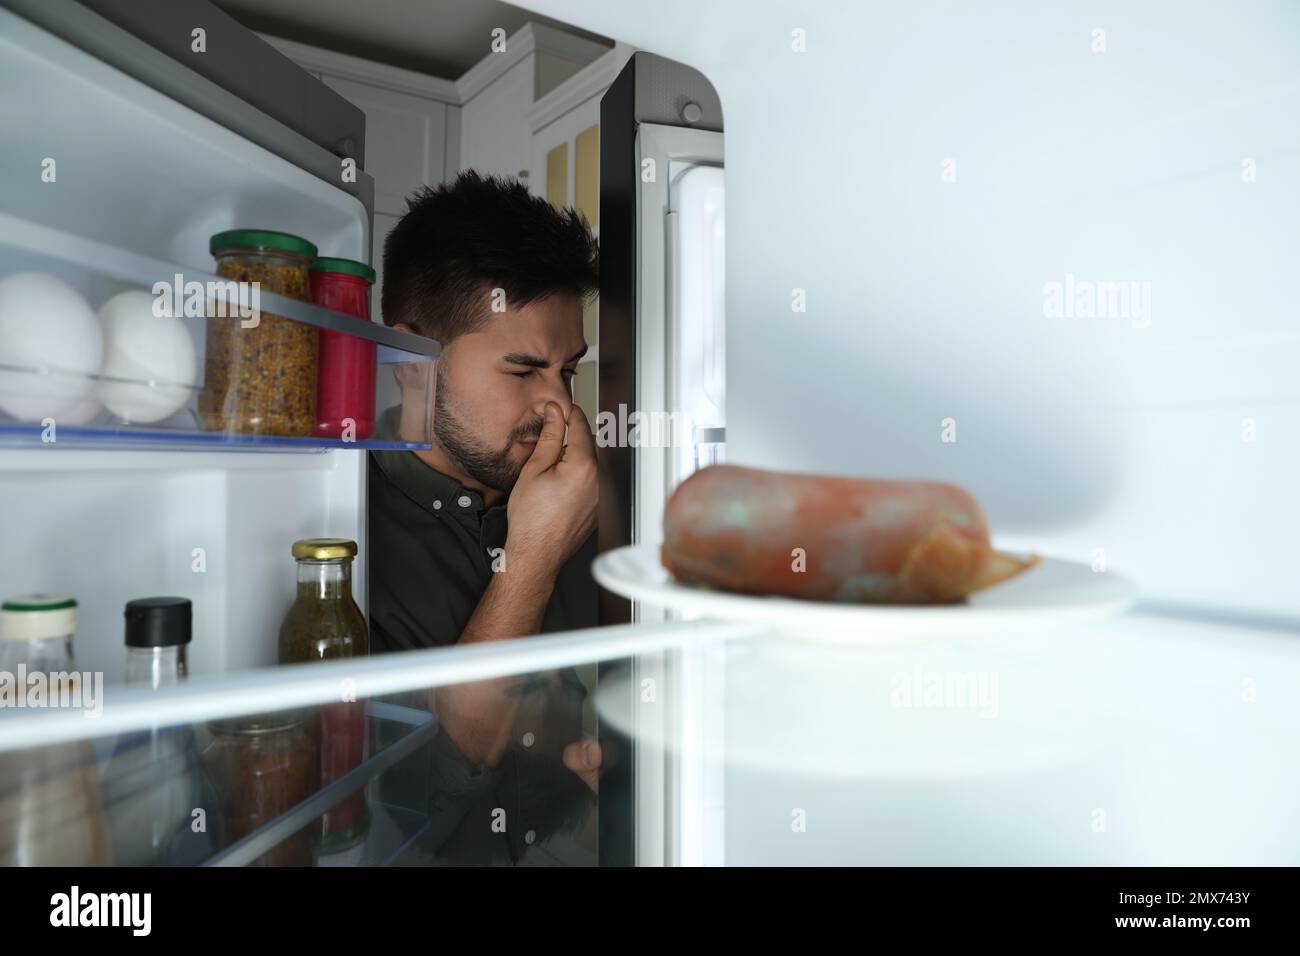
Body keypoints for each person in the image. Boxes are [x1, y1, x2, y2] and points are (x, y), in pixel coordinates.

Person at [368, 170, 601, 865]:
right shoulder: (341, 524)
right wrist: (531, 560)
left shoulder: (586, 488)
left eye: (569, 372)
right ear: (412, 360)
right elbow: (416, 802)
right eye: (523, 370)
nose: (558, 408)